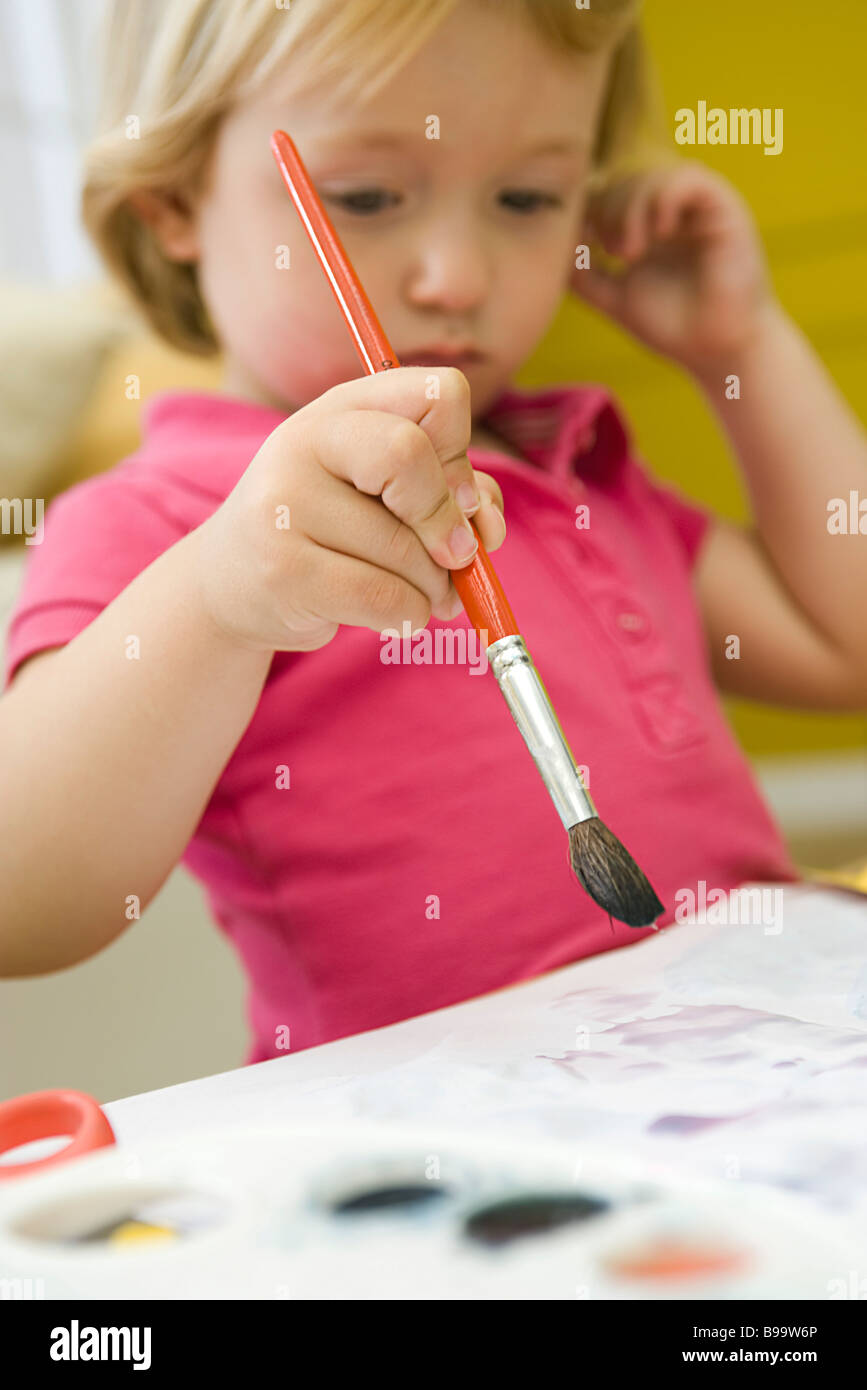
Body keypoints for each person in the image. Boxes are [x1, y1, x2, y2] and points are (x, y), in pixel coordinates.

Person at [2, 0, 864, 1064]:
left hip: (747, 1086)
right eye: (365, 196)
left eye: (528, 196)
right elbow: (20, 902)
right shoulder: (171, 523)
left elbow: (850, 644)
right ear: (170, 208)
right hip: (432, 1162)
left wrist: (745, 342)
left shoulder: (576, 473)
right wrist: (223, 597)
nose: (457, 276)